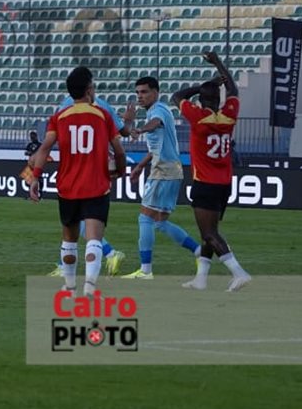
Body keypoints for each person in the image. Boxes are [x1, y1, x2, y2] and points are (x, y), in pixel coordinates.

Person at [29, 66, 127, 296]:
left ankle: (70, 286)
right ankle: (90, 286)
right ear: (89, 89)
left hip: (68, 186)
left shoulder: (59, 117)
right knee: (94, 238)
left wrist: (35, 179)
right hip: (96, 185)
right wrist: (120, 170)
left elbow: (44, 149)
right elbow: (119, 150)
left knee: (69, 240)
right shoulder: (102, 115)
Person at [174, 51, 251, 292]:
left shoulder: (198, 117)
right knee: (210, 232)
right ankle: (201, 279)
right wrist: (218, 64)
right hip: (224, 183)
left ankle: (238, 272)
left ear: (201, 101)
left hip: (204, 183)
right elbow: (234, 91)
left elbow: (176, 96)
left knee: (208, 233)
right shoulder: (229, 115)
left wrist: (200, 87)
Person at [42, 91, 134, 277]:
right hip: (98, 169)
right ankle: (95, 268)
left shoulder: (66, 105)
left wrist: (36, 171)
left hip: (74, 170)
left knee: (75, 221)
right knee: (87, 218)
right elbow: (123, 132)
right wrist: (129, 121)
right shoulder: (102, 106)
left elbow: (57, 135)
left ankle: (106, 254)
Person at [119, 76, 203, 279]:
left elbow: (155, 124)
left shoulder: (158, 111)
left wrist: (138, 128)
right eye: (138, 92)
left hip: (164, 171)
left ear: (155, 93)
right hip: (169, 170)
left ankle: (146, 270)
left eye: (144, 92)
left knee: (145, 218)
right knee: (159, 222)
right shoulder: (158, 110)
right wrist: (140, 166)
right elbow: (156, 146)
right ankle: (200, 252)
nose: (140, 96)